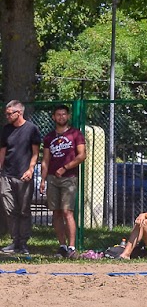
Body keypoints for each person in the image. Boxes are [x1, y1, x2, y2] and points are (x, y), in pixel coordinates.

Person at [40, 105, 87, 259]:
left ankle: (72, 247)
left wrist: (65, 167)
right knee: (56, 212)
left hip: (69, 177)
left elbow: (82, 155)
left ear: (68, 116)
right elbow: (45, 160)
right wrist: (43, 179)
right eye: (58, 114)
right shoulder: (49, 137)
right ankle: (62, 246)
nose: (61, 117)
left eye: (64, 114)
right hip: (53, 178)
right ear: (54, 117)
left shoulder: (76, 134)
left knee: (67, 212)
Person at [0, 101, 42, 256]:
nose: (7, 116)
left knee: (24, 210)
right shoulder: (6, 130)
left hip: (24, 175)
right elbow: (3, 151)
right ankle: (14, 241)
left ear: (19, 112)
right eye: (6, 113)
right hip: (7, 175)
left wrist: (31, 169)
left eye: (10, 113)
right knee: (10, 209)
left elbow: (35, 153)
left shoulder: (31, 129)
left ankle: (23, 243)